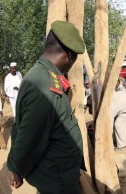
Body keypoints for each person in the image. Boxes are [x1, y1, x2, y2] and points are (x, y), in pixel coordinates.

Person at [7, 21, 85, 194]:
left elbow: (20, 124)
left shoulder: (41, 74)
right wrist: (16, 168)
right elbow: (28, 136)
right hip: (57, 180)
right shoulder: (46, 88)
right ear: (69, 56)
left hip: (59, 173)